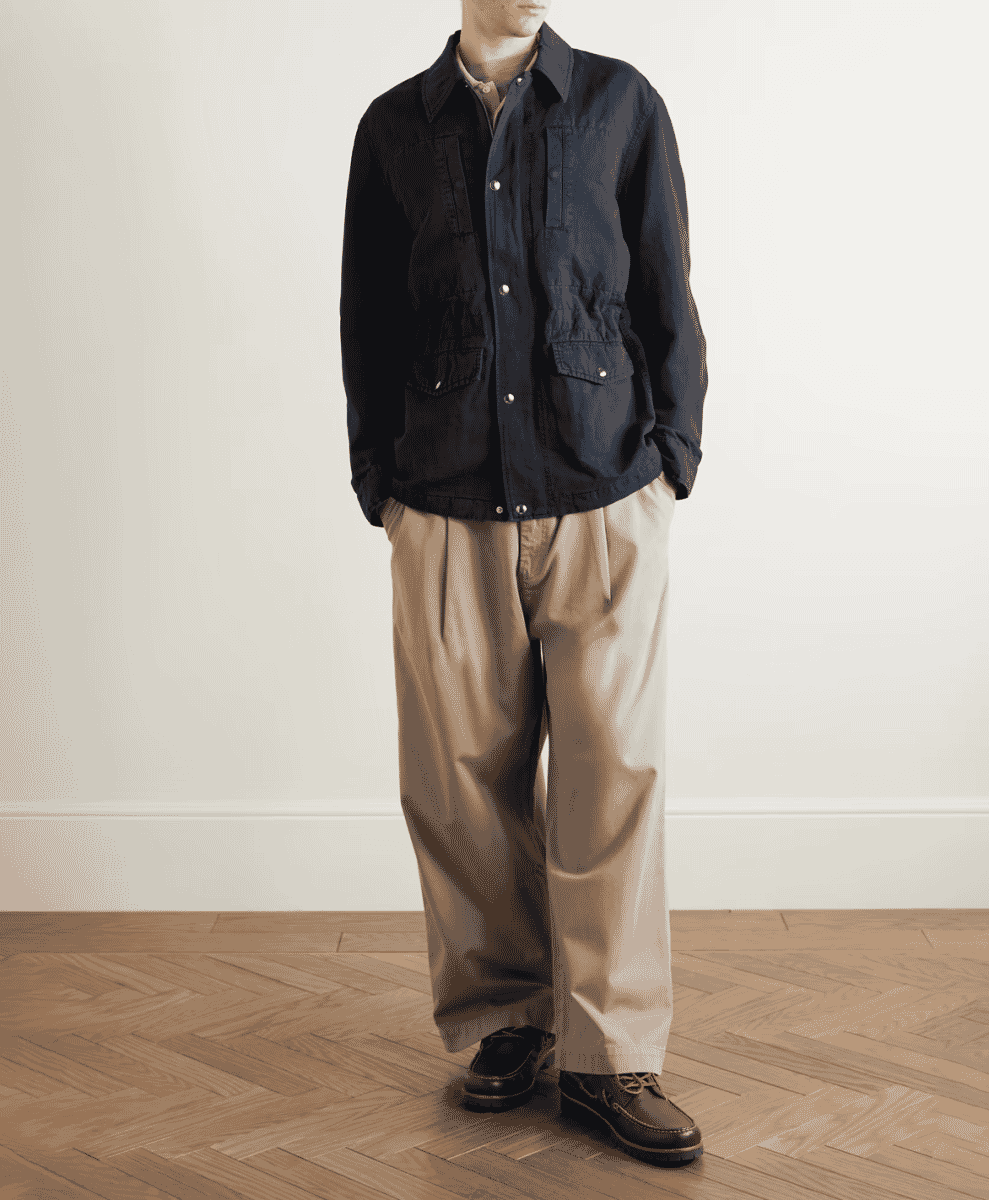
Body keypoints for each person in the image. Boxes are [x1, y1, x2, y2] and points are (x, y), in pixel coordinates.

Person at [340, 0, 707, 1168]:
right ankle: (505, 1022)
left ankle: (610, 1056)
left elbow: (666, 287)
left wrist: (671, 464)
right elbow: (368, 320)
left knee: (612, 772)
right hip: (441, 503)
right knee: (456, 783)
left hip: (602, 495)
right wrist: (379, 485)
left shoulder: (618, 106)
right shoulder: (392, 129)